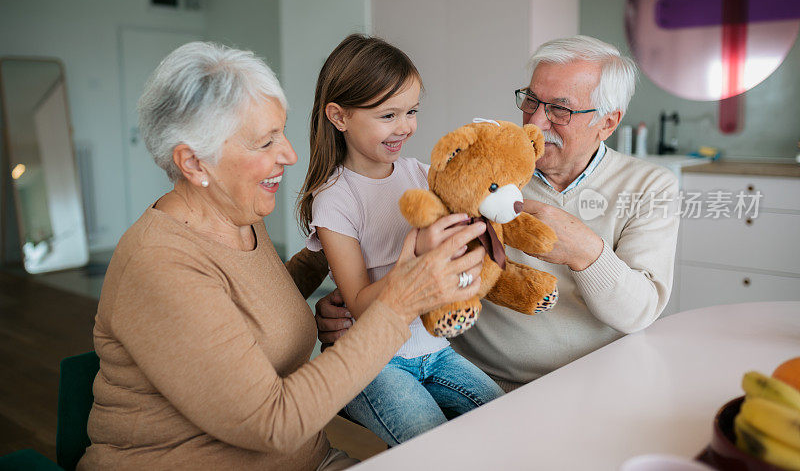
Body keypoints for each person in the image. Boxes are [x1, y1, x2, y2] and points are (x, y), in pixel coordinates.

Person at [78, 41, 487, 470]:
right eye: (265, 142)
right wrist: (398, 300)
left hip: (310, 459)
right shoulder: (160, 264)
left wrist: (337, 272)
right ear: (195, 164)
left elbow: (245, 296)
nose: (290, 155)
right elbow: (275, 424)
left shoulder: (238, 217)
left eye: (283, 133)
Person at [316, 35, 680, 392]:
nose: (535, 123)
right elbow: (359, 224)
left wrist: (585, 252)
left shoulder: (650, 186)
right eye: (531, 101)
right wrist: (340, 301)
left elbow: (639, 313)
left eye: (560, 109)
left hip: (589, 386)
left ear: (608, 122)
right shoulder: (479, 170)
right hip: (475, 377)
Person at [296, 34, 504, 447]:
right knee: (431, 444)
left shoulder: (417, 172)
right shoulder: (335, 198)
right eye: (388, 115)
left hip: (436, 349)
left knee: (505, 416)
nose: (405, 127)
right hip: (373, 363)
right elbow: (357, 302)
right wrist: (420, 262)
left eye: (411, 111)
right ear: (339, 117)